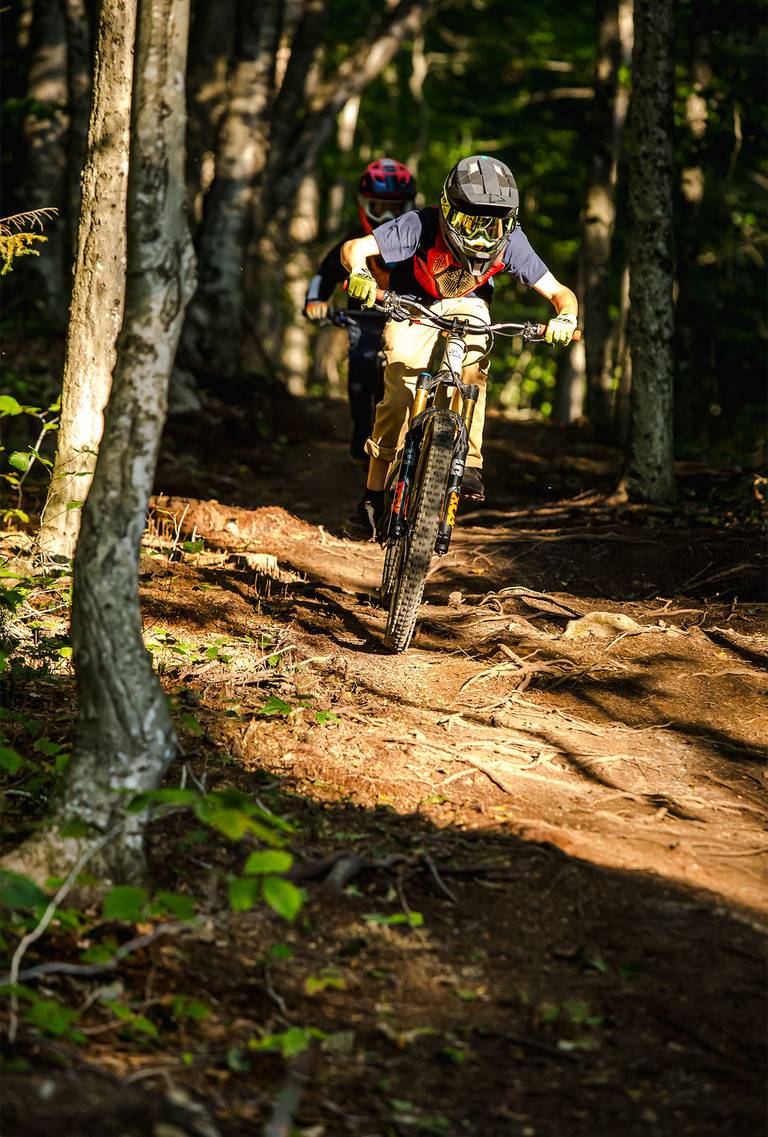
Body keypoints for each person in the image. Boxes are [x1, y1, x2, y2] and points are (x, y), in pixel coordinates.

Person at [340, 154, 579, 538]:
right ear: (449, 211)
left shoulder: (512, 243)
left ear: (510, 223)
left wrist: (566, 318)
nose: (482, 236)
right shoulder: (421, 224)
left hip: (469, 303)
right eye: (471, 223)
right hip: (412, 301)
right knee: (399, 390)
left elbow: (560, 293)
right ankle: (371, 497)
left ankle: (470, 461)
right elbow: (354, 248)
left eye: (494, 225)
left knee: (473, 365)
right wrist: (360, 274)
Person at [304, 158, 417, 464]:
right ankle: (360, 429)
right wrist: (316, 303)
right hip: (363, 319)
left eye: (396, 207)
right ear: (363, 204)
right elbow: (325, 274)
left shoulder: (419, 241)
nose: (389, 216)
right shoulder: (352, 241)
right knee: (360, 365)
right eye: (380, 207)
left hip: (410, 319)